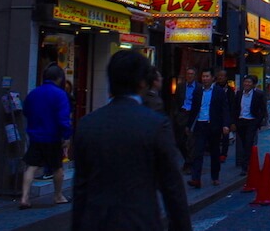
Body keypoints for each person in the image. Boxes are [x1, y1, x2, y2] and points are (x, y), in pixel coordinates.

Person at [71, 49, 191, 231]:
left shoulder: (87, 124)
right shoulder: (155, 124)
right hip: (140, 220)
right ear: (142, 83)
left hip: (96, 222)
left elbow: (80, 188)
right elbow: (172, 188)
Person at [19, 64, 72, 209]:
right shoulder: (60, 94)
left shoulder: (34, 93)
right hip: (53, 137)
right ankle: (58, 196)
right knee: (57, 168)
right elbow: (63, 118)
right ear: (59, 78)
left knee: (31, 167)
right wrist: (66, 136)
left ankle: (24, 197)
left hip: (35, 136)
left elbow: (26, 111)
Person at [187, 68, 231, 188]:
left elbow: (224, 109)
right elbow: (193, 109)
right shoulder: (197, 91)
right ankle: (196, 179)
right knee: (198, 152)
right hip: (200, 124)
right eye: (203, 77)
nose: (205, 79)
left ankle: (215, 176)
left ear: (212, 78)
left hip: (213, 125)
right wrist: (189, 125)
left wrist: (225, 124)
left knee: (215, 152)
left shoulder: (219, 91)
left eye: (207, 76)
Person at [230, 75, 268, 175]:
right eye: (245, 82)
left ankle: (245, 166)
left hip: (252, 121)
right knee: (243, 143)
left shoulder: (258, 95)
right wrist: (234, 122)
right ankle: (248, 162)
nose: (247, 84)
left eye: (249, 82)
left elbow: (262, 110)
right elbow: (234, 108)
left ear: (253, 84)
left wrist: (258, 122)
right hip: (241, 121)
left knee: (248, 143)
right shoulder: (238, 94)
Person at [174, 67, 198, 168]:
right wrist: (176, 114)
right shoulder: (180, 86)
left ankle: (189, 162)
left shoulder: (199, 87)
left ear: (195, 75)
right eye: (188, 74)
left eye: (192, 74)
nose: (189, 76)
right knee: (180, 141)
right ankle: (187, 159)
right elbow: (175, 101)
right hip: (182, 114)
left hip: (193, 115)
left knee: (191, 141)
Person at [214, 70, 236, 163]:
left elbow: (232, 106)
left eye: (222, 76)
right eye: (219, 75)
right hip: (215, 116)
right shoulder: (213, 88)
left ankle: (223, 154)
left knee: (225, 136)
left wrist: (232, 121)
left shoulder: (230, 90)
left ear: (226, 78)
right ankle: (216, 153)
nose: (220, 77)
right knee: (215, 136)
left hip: (226, 117)